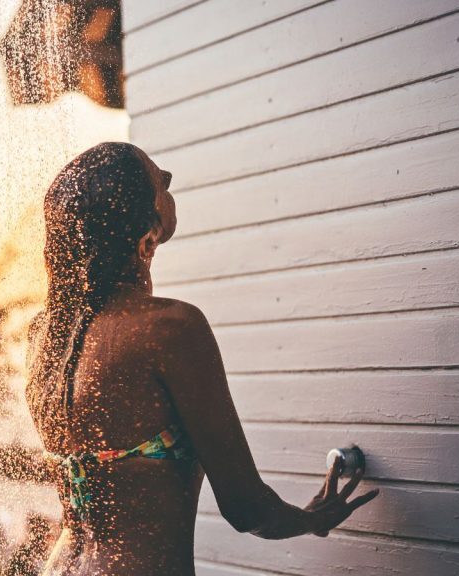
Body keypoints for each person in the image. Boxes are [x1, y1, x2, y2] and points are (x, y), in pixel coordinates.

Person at [24, 142, 379, 575]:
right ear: (148, 230)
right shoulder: (169, 329)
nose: (169, 180)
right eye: (159, 180)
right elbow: (247, 508)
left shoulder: (46, 336)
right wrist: (313, 518)